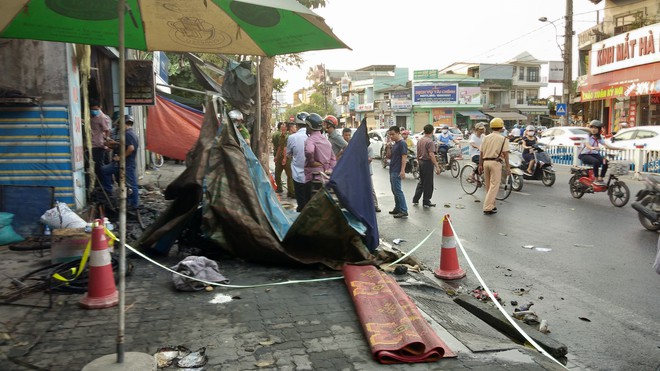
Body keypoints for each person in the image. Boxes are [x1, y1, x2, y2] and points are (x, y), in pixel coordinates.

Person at [101, 115, 139, 209]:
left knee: (131, 184)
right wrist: (116, 144)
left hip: (127, 163)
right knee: (105, 170)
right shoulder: (130, 133)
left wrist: (120, 158)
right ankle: (128, 201)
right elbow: (126, 146)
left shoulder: (128, 134)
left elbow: (131, 148)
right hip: (125, 163)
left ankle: (133, 204)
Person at [478, 118, 510, 215]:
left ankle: (492, 205)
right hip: (495, 163)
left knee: (488, 186)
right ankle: (487, 207)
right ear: (501, 127)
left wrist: (480, 164)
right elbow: (506, 154)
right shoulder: (503, 139)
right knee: (494, 186)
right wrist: (508, 167)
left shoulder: (486, 138)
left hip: (485, 162)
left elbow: (481, 152)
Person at [303, 113, 336, 206]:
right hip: (324, 179)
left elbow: (309, 151)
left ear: (309, 126)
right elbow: (333, 160)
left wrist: (312, 161)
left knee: (309, 206)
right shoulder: (326, 140)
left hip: (312, 178)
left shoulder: (310, 140)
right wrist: (327, 169)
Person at [578, 119, 623, 186]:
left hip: (594, 154)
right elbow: (587, 145)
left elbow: (607, 146)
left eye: (595, 128)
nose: (593, 129)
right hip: (584, 155)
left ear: (599, 129)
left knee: (605, 161)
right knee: (596, 161)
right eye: (592, 127)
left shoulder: (600, 137)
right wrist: (592, 148)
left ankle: (600, 178)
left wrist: (619, 148)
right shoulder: (587, 136)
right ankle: (596, 179)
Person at [412, 124, 441, 208]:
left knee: (422, 181)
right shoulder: (430, 141)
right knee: (428, 183)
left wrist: (418, 161)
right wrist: (437, 166)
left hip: (421, 162)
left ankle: (415, 199)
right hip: (427, 163)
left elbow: (417, 152)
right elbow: (431, 154)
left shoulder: (420, 140)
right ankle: (426, 201)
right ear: (432, 131)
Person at [286, 112, 309, 211]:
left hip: (298, 175)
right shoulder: (315, 136)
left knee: (301, 202)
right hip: (312, 175)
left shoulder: (292, 137)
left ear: (297, 125)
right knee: (309, 200)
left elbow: (288, 154)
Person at [388, 126, 408, 218]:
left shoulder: (402, 143)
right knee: (394, 190)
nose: (391, 136)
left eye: (393, 134)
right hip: (392, 169)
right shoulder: (395, 144)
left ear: (398, 133)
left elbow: (404, 157)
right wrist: (388, 147)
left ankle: (403, 210)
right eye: (390, 134)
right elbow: (389, 156)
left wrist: (402, 170)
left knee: (398, 190)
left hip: (397, 170)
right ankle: (397, 207)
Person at [89, 100, 111, 183]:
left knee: (100, 167)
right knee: (96, 166)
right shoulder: (92, 116)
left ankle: (105, 185)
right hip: (92, 144)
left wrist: (107, 142)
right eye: (92, 109)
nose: (93, 111)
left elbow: (107, 130)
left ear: (99, 107)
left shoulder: (102, 117)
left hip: (99, 145)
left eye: (95, 109)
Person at [272, 122, 294, 197]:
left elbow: (285, 148)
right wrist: (277, 156)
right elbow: (279, 147)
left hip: (286, 157)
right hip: (280, 157)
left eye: (284, 125)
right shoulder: (281, 136)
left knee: (289, 175)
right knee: (277, 173)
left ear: (286, 128)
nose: (282, 126)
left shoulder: (288, 136)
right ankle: (279, 187)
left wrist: (284, 158)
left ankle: (291, 192)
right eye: (282, 125)